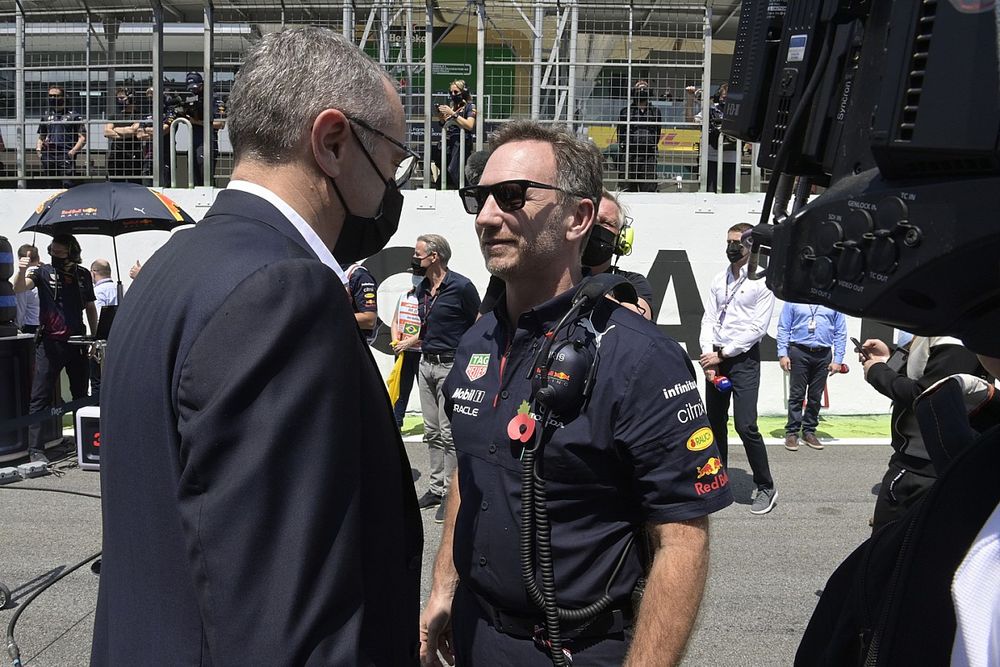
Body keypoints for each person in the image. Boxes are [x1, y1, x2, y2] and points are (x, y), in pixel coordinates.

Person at [90, 27, 422, 666]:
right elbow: (286, 621)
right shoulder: (287, 291)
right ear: (331, 142)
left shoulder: (172, 264)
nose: (391, 187)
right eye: (393, 160)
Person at [422, 121, 733, 666]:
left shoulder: (640, 356)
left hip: (578, 649)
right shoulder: (478, 336)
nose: (488, 216)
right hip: (474, 635)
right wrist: (443, 588)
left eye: (513, 196)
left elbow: (682, 541)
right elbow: (465, 480)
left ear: (579, 218)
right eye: (481, 197)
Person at [394, 234, 480, 522]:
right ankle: (434, 487)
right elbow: (431, 326)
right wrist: (412, 342)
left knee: (448, 434)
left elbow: (477, 326)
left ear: (436, 256)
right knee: (431, 431)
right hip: (426, 364)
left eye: (419, 254)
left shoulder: (462, 287)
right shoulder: (421, 290)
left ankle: (450, 494)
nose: (415, 259)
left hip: (451, 366)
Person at [860, 335, 985, 531]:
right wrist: (887, 358)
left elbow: (929, 395)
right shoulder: (939, 331)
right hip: (917, 460)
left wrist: (878, 372)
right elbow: (925, 375)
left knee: (891, 551)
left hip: (927, 465)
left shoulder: (954, 338)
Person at [699, 222, 777, 514]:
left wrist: (723, 354)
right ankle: (718, 479)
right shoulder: (720, 279)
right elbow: (708, 319)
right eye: (729, 242)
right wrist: (709, 355)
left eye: (738, 243)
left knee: (746, 426)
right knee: (714, 423)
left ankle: (766, 485)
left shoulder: (761, 282)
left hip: (742, 360)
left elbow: (757, 328)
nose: (733, 247)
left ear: (751, 247)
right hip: (715, 359)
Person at [13, 234, 97, 464]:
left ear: (72, 251)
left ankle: (85, 442)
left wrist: (95, 336)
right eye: (53, 253)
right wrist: (21, 270)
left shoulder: (83, 274)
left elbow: (90, 306)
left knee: (81, 395)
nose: (56, 257)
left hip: (78, 341)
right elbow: (19, 287)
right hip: (51, 342)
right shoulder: (41, 271)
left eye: (60, 253)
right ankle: (36, 449)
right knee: (40, 396)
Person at [776, 303, 847, 451]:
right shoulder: (793, 301)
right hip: (799, 350)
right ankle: (792, 432)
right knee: (796, 394)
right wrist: (783, 354)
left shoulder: (833, 301)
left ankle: (809, 431)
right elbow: (784, 327)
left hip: (823, 353)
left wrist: (838, 360)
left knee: (815, 396)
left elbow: (841, 332)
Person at [585, 190, 655, 320]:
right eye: (591, 221)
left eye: (606, 223)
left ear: (622, 237)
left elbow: (640, 319)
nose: (597, 229)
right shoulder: (556, 278)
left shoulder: (632, 283)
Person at [686, 83, 737, 193]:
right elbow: (691, 122)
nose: (725, 100)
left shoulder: (738, 112)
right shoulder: (711, 110)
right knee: (709, 193)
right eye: (723, 97)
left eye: (729, 97)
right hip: (711, 158)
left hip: (731, 159)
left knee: (729, 196)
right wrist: (690, 99)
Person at [36, 85, 86, 189]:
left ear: (63, 97)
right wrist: (39, 151)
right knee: (51, 186)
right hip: (49, 154)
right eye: (51, 96)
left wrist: (72, 152)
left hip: (65, 153)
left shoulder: (74, 116)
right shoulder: (46, 116)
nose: (53, 98)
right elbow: (42, 136)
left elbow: (83, 138)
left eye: (56, 96)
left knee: (67, 185)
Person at [616, 80, 662, 192]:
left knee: (648, 190)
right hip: (629, 154)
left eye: (644, 89)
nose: (642, 91)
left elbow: (657, 133)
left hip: (648, 155)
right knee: (626, 190)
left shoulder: (654, 112)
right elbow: (620, 133)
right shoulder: (626, 112)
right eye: (639, 88)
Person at [390, 274, 423, 429]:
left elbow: (428, 326)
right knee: (400, 389)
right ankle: (396, 423)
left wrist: (408, 342)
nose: (416, 277)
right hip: (403, 352)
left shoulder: (429, 298)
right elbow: (395, 321)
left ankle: (432, 426)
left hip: (422, 351)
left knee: (426, 391)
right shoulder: (404, 296)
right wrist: (396, 342)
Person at [436, 79, 477, 189]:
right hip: (449, 142)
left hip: (461, 142)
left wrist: (453, 114)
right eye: (451, 92)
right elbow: (445, 123)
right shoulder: (453, 106)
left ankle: (465, 191)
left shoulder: (470, 106)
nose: (453, 95)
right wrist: (441, 117)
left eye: (456, 92)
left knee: (455, 170)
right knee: (444, 169)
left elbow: (469, 125)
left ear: (463, 92)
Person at [105, 87, 143, 182]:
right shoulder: (114, 116)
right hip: (116, 155)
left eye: (122, 98)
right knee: (115, 184)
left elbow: (134, 131)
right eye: (118, 98)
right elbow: (106, 132)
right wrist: (126, 132)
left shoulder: (139, 115)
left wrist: (116, 129)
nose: (120, 101)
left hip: (133, 155)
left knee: (134, 185)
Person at [341, 260, 380, 343]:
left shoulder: (359, 275)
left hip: (353, 343)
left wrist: (330, 319)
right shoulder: (326, 269)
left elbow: (369, 320)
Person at [14, 245, 40, 335]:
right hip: (46, 325)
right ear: (38, 257)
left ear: (20, 259)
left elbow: (20, 305)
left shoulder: (21, 279)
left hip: (28, 326)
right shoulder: (46, 274)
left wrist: (17, 325)